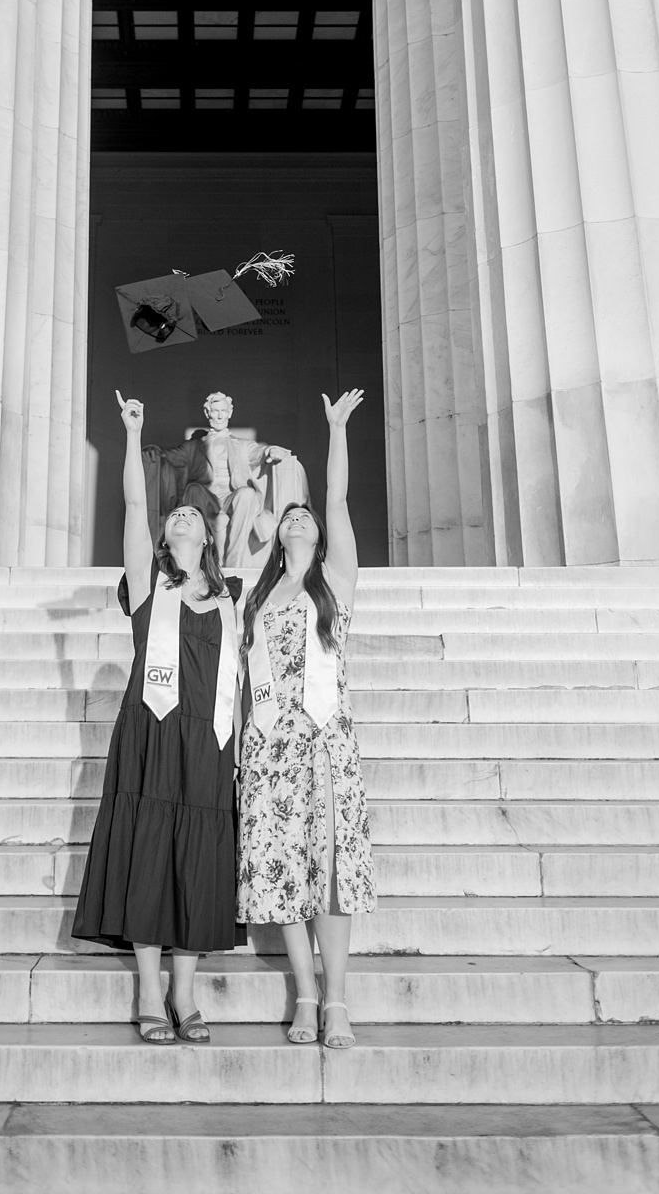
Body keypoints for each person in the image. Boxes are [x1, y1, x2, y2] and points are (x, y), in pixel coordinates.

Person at [72, 390, 244, 1043]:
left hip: (208, 744)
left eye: (189, 518)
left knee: (197, 857)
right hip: (153, 735)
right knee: (150, 854)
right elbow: (135, 505)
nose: (177, 520)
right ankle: (149, 992)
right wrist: (131, 431)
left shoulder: (229, 604)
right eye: (172, 518)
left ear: (207, 535)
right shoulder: (150, 587)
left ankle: (184, 991)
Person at [237, 389, 377, 1050]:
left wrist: (336, 429)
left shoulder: (335, 581)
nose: (298, 519)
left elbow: (339, 498)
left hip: (323, 746)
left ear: (318, 534)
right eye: (289, 516)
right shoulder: (257, 598)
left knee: (328, 871)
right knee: (282, 869)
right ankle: (305, 995)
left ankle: (340, 1002)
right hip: (269, 749)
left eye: (305, 516)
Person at [144, 390, 306, 570]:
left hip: (232, 498)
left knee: (247, 493)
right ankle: (194, 561)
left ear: (229, 413)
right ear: (208, 414)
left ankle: (234, 563)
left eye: (223, 411)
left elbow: (259, 452)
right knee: (193, 489)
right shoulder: (193, 447)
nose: (219, 415)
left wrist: (271, 451)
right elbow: (170, 456)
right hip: (206, 498)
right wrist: (153, 451)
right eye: (215, 411)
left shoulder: (242, 445)